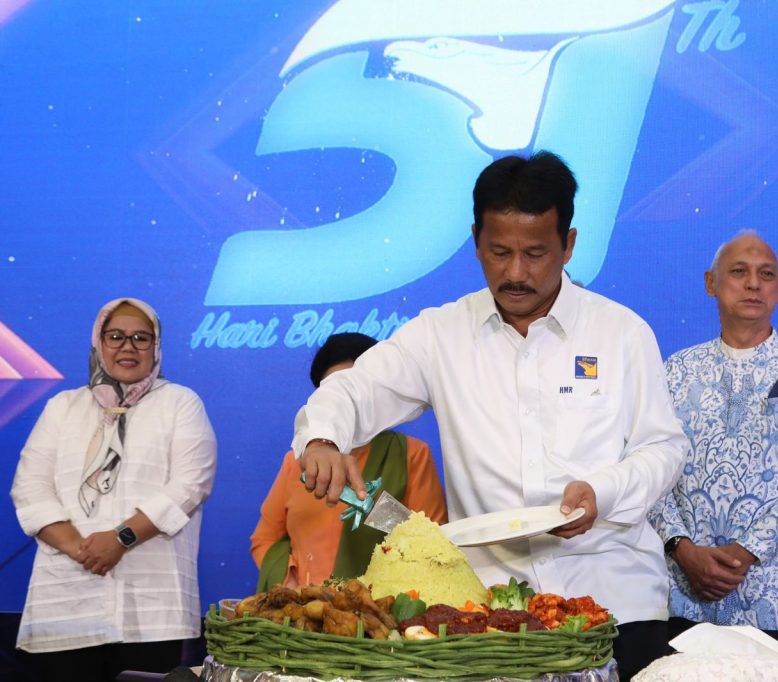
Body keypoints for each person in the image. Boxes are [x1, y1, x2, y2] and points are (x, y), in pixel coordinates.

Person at [291, 151, 687, 679]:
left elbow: (664, 447)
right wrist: (322, 439)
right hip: (488, 620)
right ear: (476, 240)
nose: (516, 273)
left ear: (569, 244)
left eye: (535, 253)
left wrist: (604, 490)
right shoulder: (440, 335)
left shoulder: (622, 333)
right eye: (499, 252)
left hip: (615, 602)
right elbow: (354, 388)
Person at [648, 231, 778, 660]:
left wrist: (747, 550)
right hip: (686, 592)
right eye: (739, 271)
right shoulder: (676, 370)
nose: (753, 283)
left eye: (766, 274)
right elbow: (652, 469)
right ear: (711, 282)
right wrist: (682, 549)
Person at [10, 298, 217, 682]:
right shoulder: (63, 407)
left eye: (141, 338)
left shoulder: (180, 403)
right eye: (116, 336)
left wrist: (120, 539)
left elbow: (191, 484)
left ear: (156, 346)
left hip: (152, 607)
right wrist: (81, 548)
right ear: (99, 342)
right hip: (66, 601)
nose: (128, 347)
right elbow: (30, 486)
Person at [249, 332, 447, 589]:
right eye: (336, 393)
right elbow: (264, 539)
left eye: (355, 392)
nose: (347, 403)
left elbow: (433, 546)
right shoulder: (297, 462)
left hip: (379, 607)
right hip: (304, 606)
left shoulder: (411, 454)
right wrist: (293, 585)